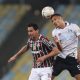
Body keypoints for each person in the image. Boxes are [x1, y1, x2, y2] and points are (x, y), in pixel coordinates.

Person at [50, 13, 80, 80]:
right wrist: (57, 43)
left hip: (73, 59)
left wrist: (79, 53)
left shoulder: (74, 27)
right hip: (61, 58)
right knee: (49, 77)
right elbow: (60, 49)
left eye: (55, 19)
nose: (54, 22)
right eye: (52, 21)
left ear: (61, 18)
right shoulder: (54, 32)